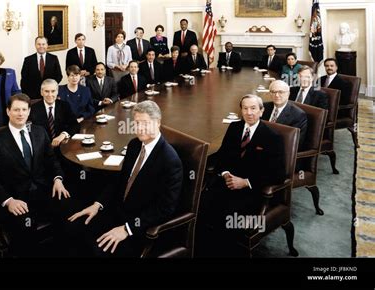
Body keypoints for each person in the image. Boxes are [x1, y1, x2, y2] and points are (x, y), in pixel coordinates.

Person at [64, 100, 183, 257]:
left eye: (145, 123)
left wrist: (128, 228)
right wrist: (97, 205)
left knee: (97, 250)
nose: (139, 128)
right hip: (116, 210)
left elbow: (165, 208)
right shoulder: (134, 145)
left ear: (158, 122)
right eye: (136, 123)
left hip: (139, 225)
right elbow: (118, 180)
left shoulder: (170, 160)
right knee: (72, 228)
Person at [0, 93, 70, 257]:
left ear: (29, 111)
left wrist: (58, 179)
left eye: (24, 109)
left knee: (68, 212)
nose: (20, 113)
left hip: (43, 190)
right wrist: (8, 201)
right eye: (16, 110)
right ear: (8, 111)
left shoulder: (39, 132)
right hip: (16, 198)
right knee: (26, 231)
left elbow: (52, 161)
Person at [199, 95, 285, 257]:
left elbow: (278, 174)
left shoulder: (272, 137)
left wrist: (246, 182)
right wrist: (225, 174)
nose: (249, 112)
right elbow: (221, 156)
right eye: (245, 108)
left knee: (228, 219)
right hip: (226, 183)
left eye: (253, 108)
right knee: (201, 205)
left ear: (261, 111)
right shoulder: (234, 127)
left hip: (252, 191)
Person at [28, 79, 79, 150]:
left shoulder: (64, 106)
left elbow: (75, 125)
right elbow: (29, 131)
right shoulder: (33, 109)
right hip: (42, 150)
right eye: (46, 91)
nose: (50, 95)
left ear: (57, 92)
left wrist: (63, 135)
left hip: (63, 146)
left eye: (53, 91)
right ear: (41, 92)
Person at [262, 80, 308, 150]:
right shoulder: (264, 107)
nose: (277, 95)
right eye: (273, 92)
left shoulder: (298, 115)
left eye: (281, 92)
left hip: (279, 152)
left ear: (288, 94)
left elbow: (295, 143)